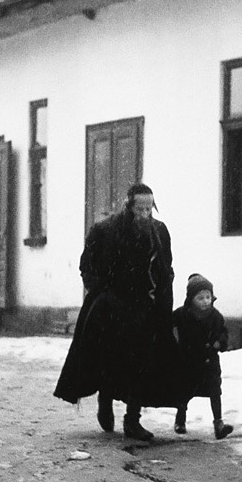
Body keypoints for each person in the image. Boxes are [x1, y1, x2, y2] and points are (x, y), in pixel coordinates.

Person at [53, 183, 177, 442]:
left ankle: (133, 420)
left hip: (146, 308)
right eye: (139, 208)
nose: (145, 214)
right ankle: (105, 401)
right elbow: (87, 266)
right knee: (111, 359)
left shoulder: (159, 232)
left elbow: (166, 266)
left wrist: (162, 296)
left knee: (142, 364)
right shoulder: (105, 230)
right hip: (112, 308)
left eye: (148, 208)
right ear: (129, 206)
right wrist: (103, 293)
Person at [171, 273, 233, 440]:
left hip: (209, 361)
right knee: (185, 391)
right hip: (188, 361)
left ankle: (218, 423)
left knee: (215, 390)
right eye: (200, 298)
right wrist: (174, 340)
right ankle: (181, 418)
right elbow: (170, 324)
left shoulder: (215, 316)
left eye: (208, 296)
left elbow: (223, 332)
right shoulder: (182, 315)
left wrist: (220, 342)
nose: (206, 301)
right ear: (191, 299)